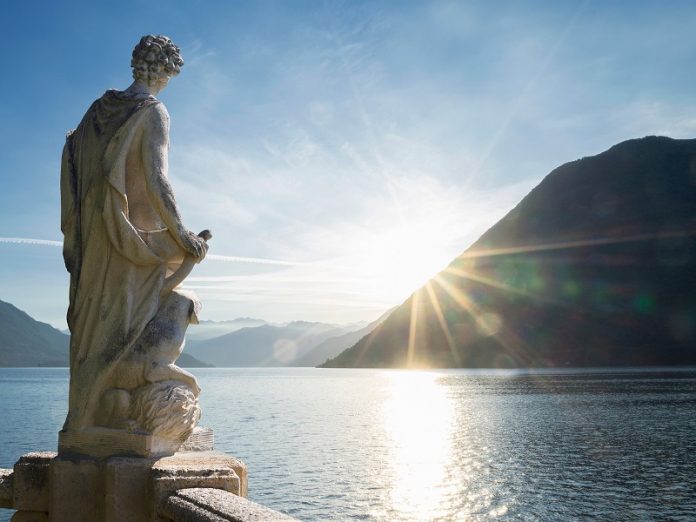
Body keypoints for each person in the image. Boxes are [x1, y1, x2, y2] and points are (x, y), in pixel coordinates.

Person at [60, 35, 207, 434]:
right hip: (126, 242)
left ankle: (85, 421)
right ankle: (109, 418)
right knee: (140, 315)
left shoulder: (97, 112)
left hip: (93, 245)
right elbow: (158, 180)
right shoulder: (152, 111)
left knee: (95, 329)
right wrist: (184, 235)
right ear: (164, 72)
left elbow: (71, 163)